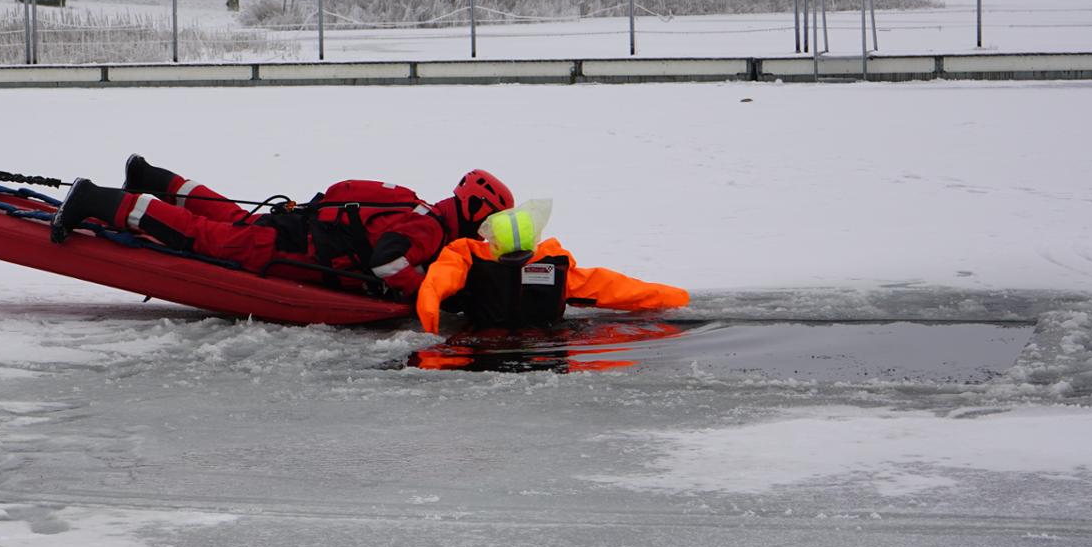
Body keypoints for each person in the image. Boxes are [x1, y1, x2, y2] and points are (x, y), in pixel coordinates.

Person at [50, 156, 514, 299]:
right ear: (474, 214)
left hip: (296, 230)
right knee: (204, 236)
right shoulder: (428, 232)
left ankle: (154, 179)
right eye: (488, 225)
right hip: (295, 249)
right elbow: (387, 262)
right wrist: (419, 290)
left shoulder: (421, 208)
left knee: (232, 218)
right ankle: (95, 199)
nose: (486, 235)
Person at [415, 200, 688, 333]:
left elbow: (436, 284)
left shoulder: (467, 259)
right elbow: (621, 290)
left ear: (492, 240)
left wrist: (429, 318)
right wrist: (677, 298)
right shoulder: (557, 269)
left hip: (481, 347)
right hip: (547, 345)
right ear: (535, 238)